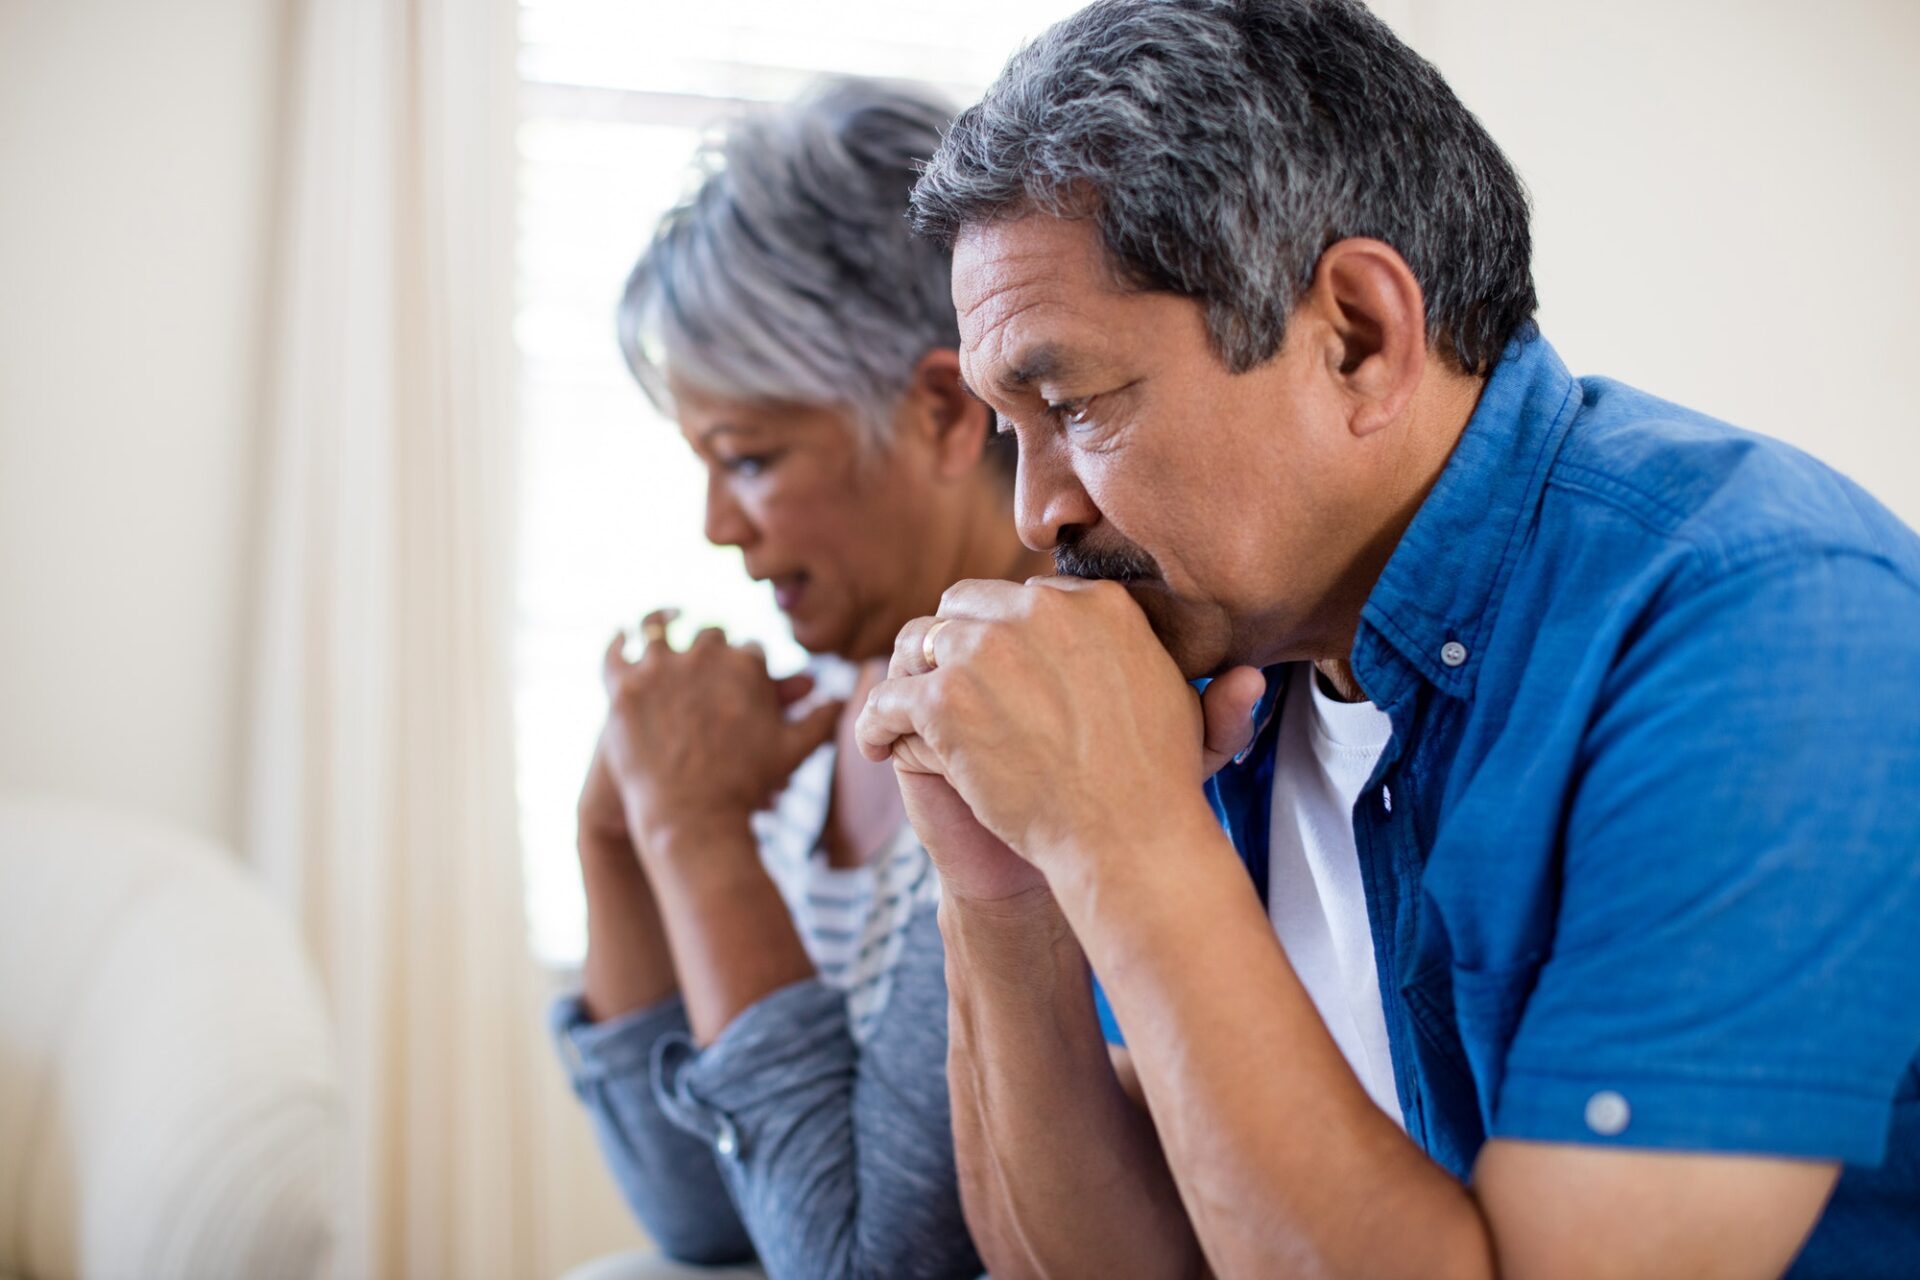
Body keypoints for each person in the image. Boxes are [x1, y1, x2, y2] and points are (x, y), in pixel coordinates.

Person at [853, 2, 1920, 1277]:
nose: (1036, 513)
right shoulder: (1219, 653)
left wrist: (1123, 836)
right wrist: (1002, 882)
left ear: (1359, 336)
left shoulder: (1764, 624)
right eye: (1008, 428)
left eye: (1075, 403)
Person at [549, 78, 1043, 1279]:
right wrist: (618, 832)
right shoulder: (818, 721)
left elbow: (860, 1259)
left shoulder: (1036, 718)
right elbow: (699, 1216)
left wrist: (698, 834)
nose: (719, 526)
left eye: (753, 458)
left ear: (940, 411)